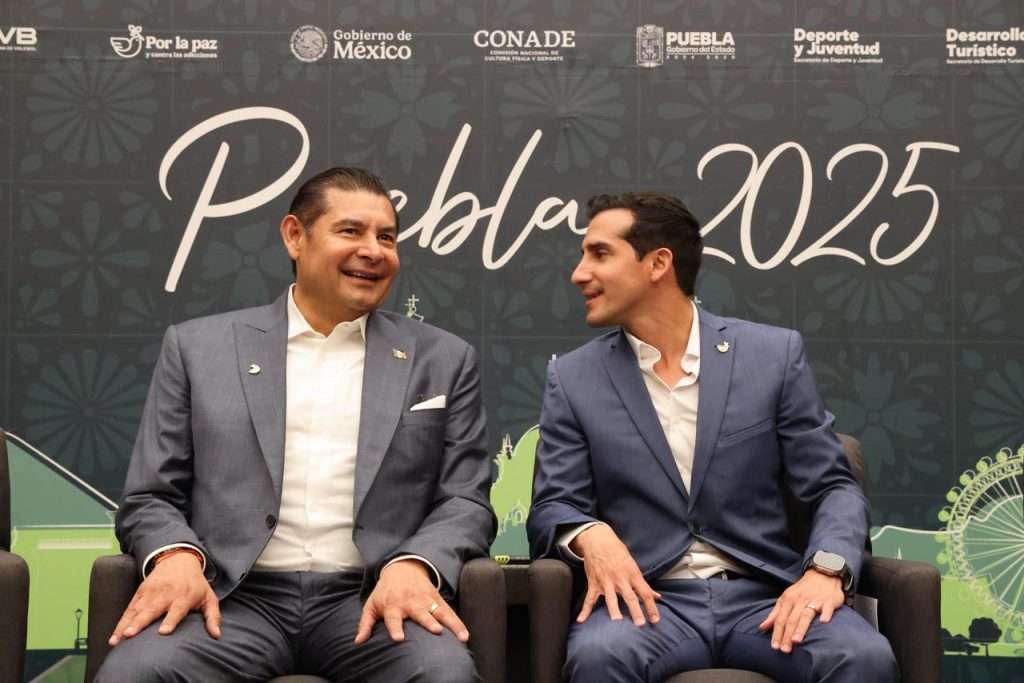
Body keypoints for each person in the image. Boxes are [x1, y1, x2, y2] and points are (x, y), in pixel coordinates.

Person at [97, 167, 495, 682]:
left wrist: (414, 565)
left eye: (387, 237)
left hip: (371, 599)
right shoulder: (198, 349)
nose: (373, 251)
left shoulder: (443, 359)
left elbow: (465, 500)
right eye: (351, 231)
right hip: (232, 599)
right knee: (136, 672)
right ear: (294, 236)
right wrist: (176, 555)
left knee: (443, 674)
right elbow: (150, 495)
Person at [527, 192, 897, 682]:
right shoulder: (573, 378)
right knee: (598, 657)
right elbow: (554, 504)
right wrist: (588, 533)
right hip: (647, 604)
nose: (579, 273)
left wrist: (826, 570)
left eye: (599, 253)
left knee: (863, 656)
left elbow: (833, 486)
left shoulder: (772, 356)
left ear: (658, 263)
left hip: (766, 596)